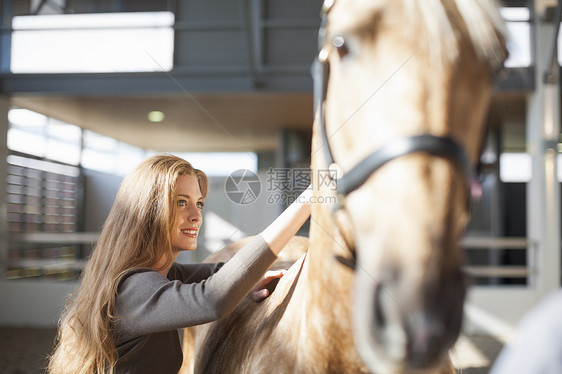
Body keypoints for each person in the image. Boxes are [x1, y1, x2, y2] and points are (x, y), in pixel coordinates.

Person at [47, 154, 312, 374]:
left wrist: (249, 282)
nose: (196, 215)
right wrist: (308, 200)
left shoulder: (159, 274)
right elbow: (212, 299)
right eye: (181, 202)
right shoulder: (134, 288)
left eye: (199, 203)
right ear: (148, 211)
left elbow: (218, 273)